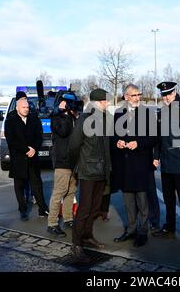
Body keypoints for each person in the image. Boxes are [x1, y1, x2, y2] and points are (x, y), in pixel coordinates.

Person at [68, 88, 112, 262]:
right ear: (98, 103)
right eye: (106, 101)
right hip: (87, 171)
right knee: (84, 209)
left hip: (101, 171)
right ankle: (76, 244)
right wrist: (76, 168)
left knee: (94, 208)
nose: (108, 104)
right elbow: (73, 146)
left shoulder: (104, 120)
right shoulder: (84, 120)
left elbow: (106, 148)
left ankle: (87, 236)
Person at [111, 84, 157, 247]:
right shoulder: (118, 114)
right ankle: (131, 230)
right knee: (128, 201)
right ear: (126, 97)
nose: (138, 98)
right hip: (124, 165)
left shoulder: (148, 114)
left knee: (142, 201)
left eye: (139, 94)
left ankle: (142, 232)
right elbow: (113, 135)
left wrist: (138, 143)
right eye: (134, 95)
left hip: (141, 163)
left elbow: (153, 138)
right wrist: (117, 141)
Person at [152, 81, 180, 249]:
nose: (166, 98)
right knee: (169, 200)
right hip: (166, 163)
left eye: (169, 94)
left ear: (175, 92)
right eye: (163, 95)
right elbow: (159, 138)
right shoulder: (162, 111)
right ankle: (169, 228)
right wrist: (156, 156)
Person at [4, 93, 49, 221]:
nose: (26, 109)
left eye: (28, 107)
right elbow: (11, 140)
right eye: (24, 107)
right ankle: (23, 210)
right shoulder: (10, 120)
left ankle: (42, 208)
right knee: (19, 186)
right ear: (17, 108)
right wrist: (26, 149)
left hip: (33, 158)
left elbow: (39, 135)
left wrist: (34, 148)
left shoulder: (34, 118)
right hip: (18, 158)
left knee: (37, 185)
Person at [47, 94, 78, 236]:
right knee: (59, 193)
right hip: (62, 162)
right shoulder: (57, 118)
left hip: (73, 162)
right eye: (69, 103)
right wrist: (63, 112)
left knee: (71, 192)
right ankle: (52, 223)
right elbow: (64, 131)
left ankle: (68, 219)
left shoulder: (72, 117)